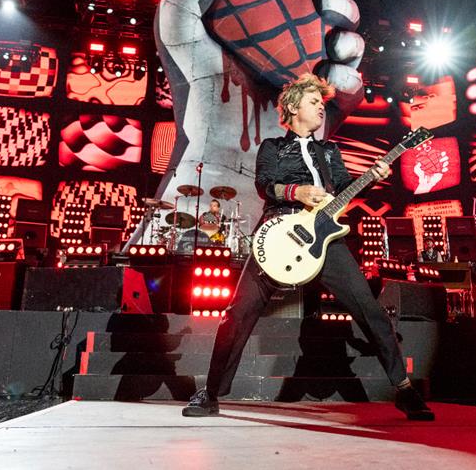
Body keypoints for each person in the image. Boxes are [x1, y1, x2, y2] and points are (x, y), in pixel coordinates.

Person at [182, 74, 434, 421]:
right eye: (314, 102)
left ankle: (404, 390)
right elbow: (265, 185)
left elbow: (345, 189)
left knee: (370, 310)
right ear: (293, 106)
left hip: (325, 237)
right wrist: (296, 192)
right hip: (277, 233)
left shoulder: (329, 151)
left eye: (322, 103)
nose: (321, 108)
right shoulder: (273, 147)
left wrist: (372, 177)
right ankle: (210, 393)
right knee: (238, 314)